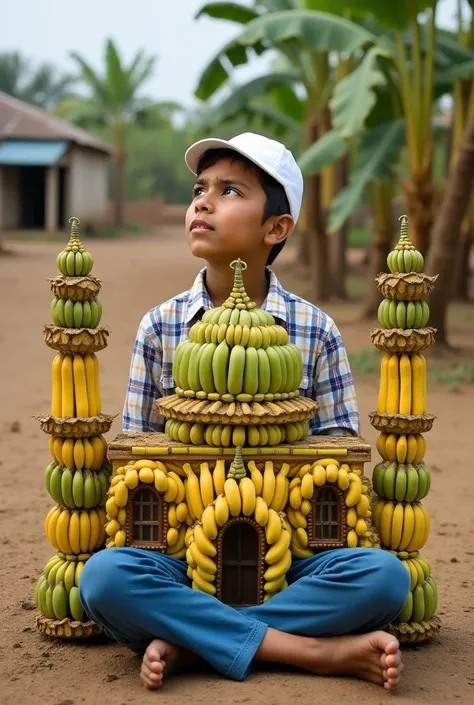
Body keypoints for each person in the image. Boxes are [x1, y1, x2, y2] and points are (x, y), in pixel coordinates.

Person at [79, 133, 409, 691]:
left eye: (230, 191)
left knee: (383, 577)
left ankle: (192, 643)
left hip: (294, 557)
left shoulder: (314, 330)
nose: (202, 202)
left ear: (276, 228)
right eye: (198, 190)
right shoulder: (160, 327)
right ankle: (312, 651)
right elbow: (138, 455)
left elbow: (341, 460)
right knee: (106, 577)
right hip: (181, 556)